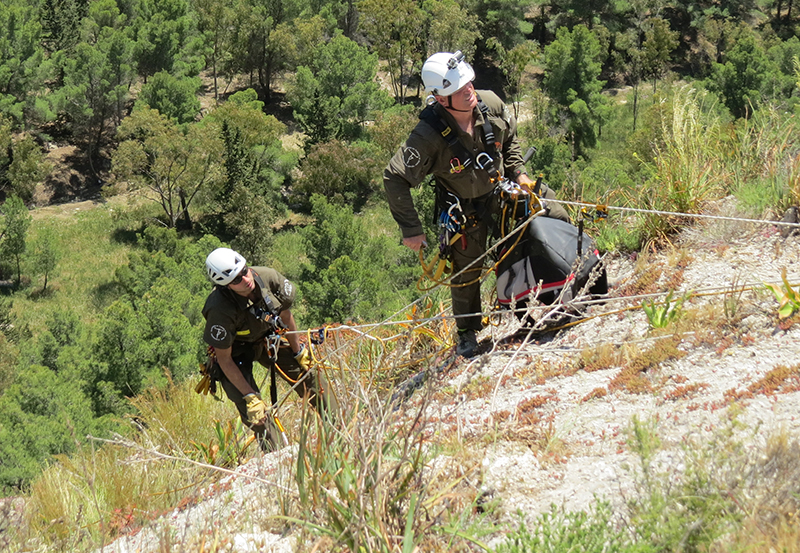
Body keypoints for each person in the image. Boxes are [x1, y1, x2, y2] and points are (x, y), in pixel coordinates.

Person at [383, 51, 570, 358]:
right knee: (467, 269)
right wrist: (411, 229)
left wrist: (520, 173)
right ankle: (468, 332)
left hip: (502, 189)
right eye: (460, 89)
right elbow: (394, 177)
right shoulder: (427, 136)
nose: (469, 90)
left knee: (554, 214)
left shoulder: (491, 104)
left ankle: (571, 276)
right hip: (464, 208)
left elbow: (510, 140)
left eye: (469, 83)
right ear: (442, 99)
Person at [202, 247, 330, 452]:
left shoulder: (269, 277)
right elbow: (224, 359)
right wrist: (250, 396)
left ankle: (341, 424)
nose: (245, 279)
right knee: (253, 411)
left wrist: (298, 352)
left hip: (267, 337)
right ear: (225, 286)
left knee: (309, 376)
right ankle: (277, 455)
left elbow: (286, 315)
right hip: (235, 354)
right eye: (236, 280)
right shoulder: (219, 309)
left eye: (244, 270)